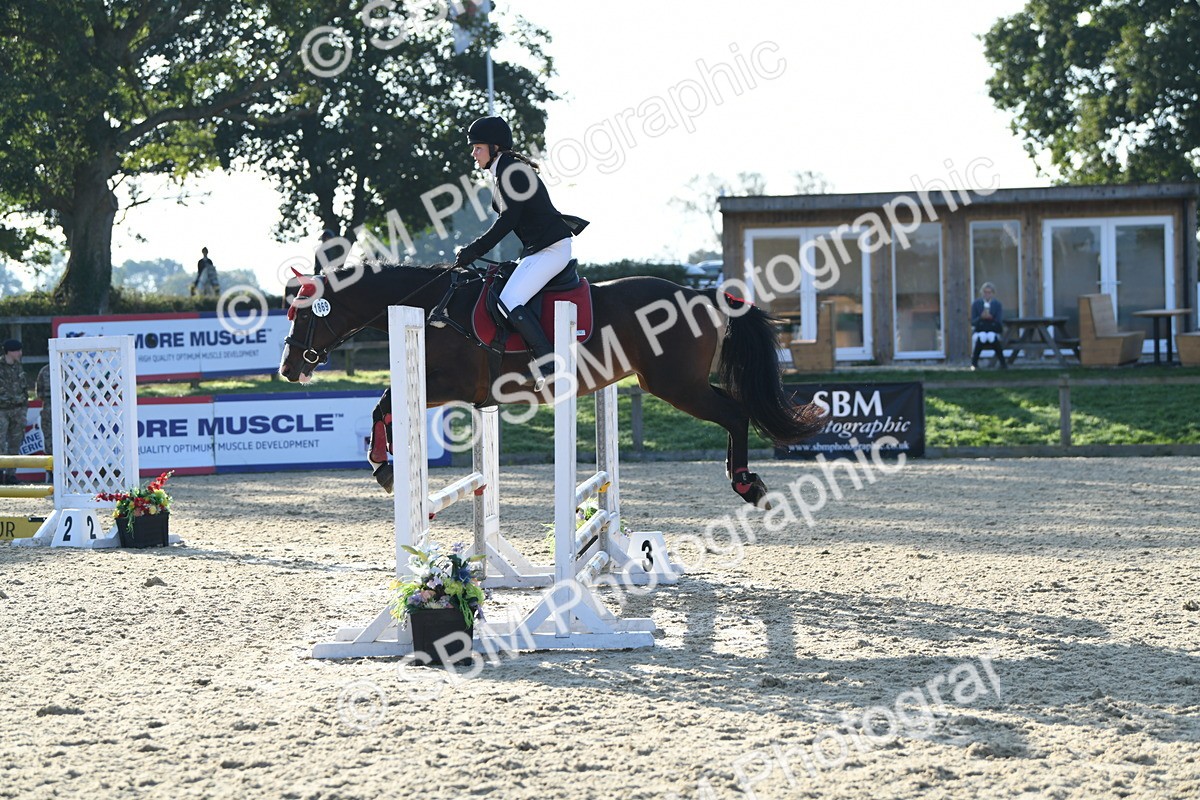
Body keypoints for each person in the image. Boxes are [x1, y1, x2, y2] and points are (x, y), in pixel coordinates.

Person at [453, 115, 588, 390]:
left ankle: (550, 365)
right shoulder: (506, 170)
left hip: (551, 250)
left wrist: (474, 250)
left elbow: (508, 221)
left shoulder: (511, 171)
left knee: (509, 299)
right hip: (540, 250)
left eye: (478, 147)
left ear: (495, 148)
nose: (474, 153)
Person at [0, 339, 28, 484]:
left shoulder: (18, 367)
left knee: (15, 444)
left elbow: (24, 389)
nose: (20, 353)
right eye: (17, 350)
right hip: (2, 411)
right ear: (9, 351)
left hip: (17, 411)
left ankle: (11, 475)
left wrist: (24, 410)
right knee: (0, 444)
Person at [970, 282, 1006, 369]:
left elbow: (999, 321)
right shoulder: (976, 304)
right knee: (981, 338)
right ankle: (974, 364)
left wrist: (991, 318)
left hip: (992, 329)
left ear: (993, 293)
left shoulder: (997, 305)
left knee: (992, 337)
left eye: (989, 292)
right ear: (982, 293)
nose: (987, 294)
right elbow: (973, 321)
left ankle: (1003, 363)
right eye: (985, 292)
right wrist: (981, 317)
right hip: (980, 329)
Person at [35, 362, 52, 481]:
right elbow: (39, 393)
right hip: (48, 409)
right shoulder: (44, 371)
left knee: (66, 443)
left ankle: (66, 473)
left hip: (65, 410)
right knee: (48, 443)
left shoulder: (69, 370)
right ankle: (50, 473)